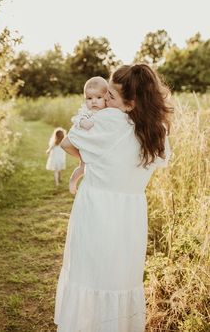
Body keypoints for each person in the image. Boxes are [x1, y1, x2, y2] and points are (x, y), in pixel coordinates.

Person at [54, 64, 173, 332]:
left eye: (111, 96)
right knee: (120, 279)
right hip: (130, 215)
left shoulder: (109, 120)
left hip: (98, 208)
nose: (104, 100)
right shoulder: (157, 130)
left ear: (130, 103)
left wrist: (89, 158)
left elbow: (67, 143)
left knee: (90, 274)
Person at [69, 76, 108, 194]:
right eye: (89, 98)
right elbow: (75, 119)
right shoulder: (87, 111)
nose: (94, 101)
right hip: (85, 144)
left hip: (98, 145)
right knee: (83, 166)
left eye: (99, 97)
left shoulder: (107, 111)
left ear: (106, 97)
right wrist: (81, 122)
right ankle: (73, 181)